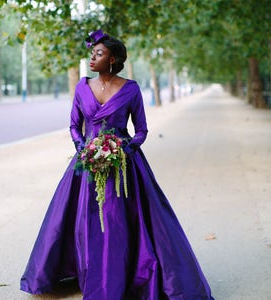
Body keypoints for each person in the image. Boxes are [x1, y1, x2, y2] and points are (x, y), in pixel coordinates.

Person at [20, 29, 214, 300]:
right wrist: (84, 149)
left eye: (98, 54)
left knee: (120, 224)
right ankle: (86, 273)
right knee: (80, 223)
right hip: (86, 165)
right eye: (92, 53)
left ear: (112, 59)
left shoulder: (131, 89)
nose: (92, 58)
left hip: (124, 167)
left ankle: (122, 278)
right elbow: (75, 125)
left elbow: (142, 130)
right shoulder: (82, 87)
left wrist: (124, 149)